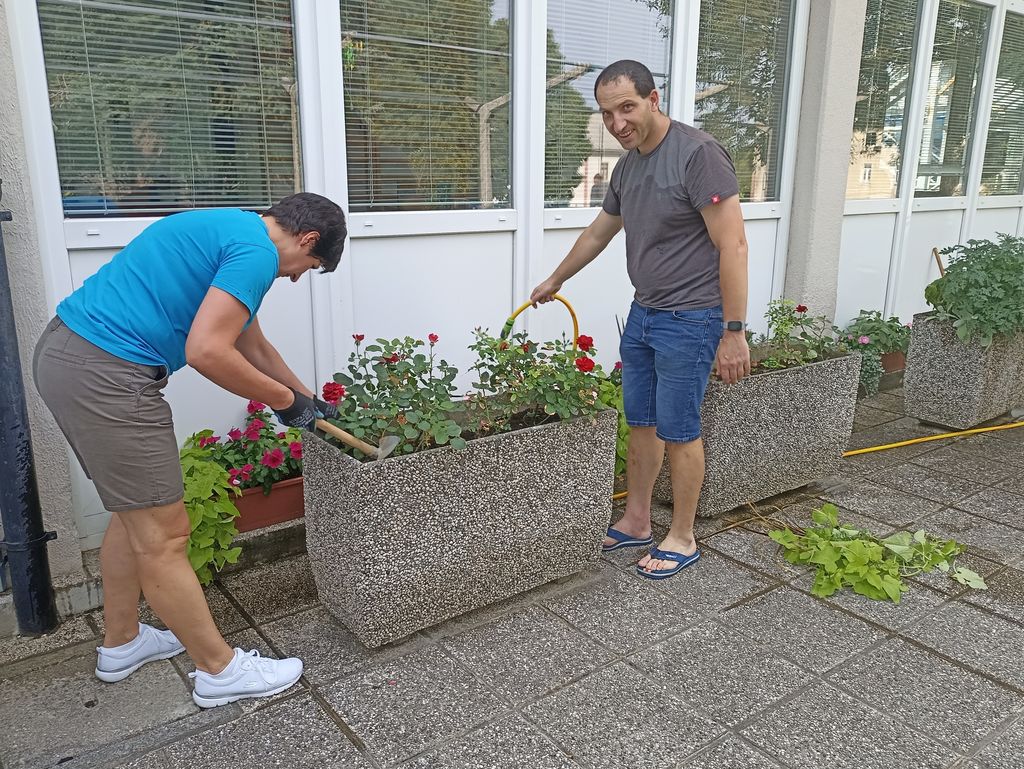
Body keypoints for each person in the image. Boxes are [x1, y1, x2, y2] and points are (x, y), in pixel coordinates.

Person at [33, 192, 347, 706]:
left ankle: (122, 641)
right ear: (307, 238)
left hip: (75, 357)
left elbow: (252, 344)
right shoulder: (256, 254)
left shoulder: (236, 230)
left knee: (136, 515)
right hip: (106, 374)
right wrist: (284, 402)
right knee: (165, 535)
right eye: (308, 267)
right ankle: (219, 671)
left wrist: (308, 400)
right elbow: (206, 351)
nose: (295, 278)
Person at [530, 60, 750, 580]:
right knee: (642, 423)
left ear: (653, 99)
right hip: (645, 312)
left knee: (679, 429)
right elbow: (598, 232)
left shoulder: (697, 154)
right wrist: (556, 278)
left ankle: (683, 536)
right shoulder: (628, 167)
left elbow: (734, 244)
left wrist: (734, 331)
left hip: (692, 317)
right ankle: (636, 520)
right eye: (607, 113)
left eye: (626, 108)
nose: (617, 123)